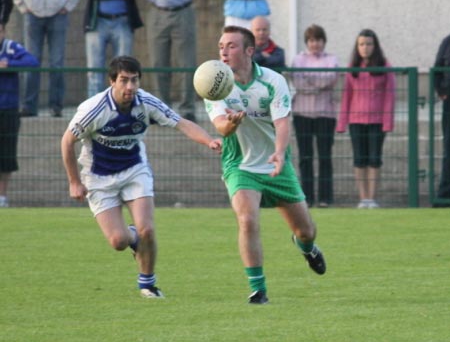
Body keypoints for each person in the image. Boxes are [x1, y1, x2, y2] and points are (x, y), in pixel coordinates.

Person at [61, 55, 221, 298]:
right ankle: (133, 237)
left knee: (148, 229)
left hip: (135, 170)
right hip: (99, 179)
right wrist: (74, 181)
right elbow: (67, 141)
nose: (130, 87)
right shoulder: (94, 109)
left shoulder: (146, 102)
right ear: (111, 81)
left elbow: (181, 123)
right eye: (124, 81)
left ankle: (148, 284)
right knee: (118, 241)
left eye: (134, 80)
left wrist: (209, 140)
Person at [204, 26, 326, 305]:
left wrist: (281, 153)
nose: (223, 51)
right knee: (247, 220)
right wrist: (229, 124)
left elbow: (283, 122)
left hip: (275, 164)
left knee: (306, 231)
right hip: (241, 166)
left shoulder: (273, 81)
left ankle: (306, 248)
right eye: (221, 45)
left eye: (231, 46)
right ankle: (258, 289)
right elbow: (221, 126)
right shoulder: (215, 83)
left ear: (249, 51)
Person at [336, 29, 395, 209]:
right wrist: (342, 122)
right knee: (359, 159)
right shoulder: (352, 66)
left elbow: (390, 95)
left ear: (375, 46)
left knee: (374, 159)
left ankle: (372, 198)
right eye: (361, 44)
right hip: (356, 120)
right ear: (357, 46)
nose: (365, 48)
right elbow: (346, 96)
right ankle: (363, 199)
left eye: (369, 44)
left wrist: (387, 121)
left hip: (377, 120)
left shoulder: (384, 65)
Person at [292, 25, 338, 208]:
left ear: (323, 42)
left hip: (325, 113)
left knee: (325, 156)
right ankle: (307, 197)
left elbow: (330, 78)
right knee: (305, 157)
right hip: (302, 113)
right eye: (311, 40)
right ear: (307, 42)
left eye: (318, 40)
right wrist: (318, 83)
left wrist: (309, 79)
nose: (315, 44)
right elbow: (298, 83)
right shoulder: (298, 59)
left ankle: (326, 198)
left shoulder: (332, 59)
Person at [0, 23, 39, 207]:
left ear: (3, 31)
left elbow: (32, 62)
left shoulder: (10, 47)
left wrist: (8, 64)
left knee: (6, 155)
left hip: (8, 109)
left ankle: (2, 197)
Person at [432, 34, 450, 207]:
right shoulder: (447, 42)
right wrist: (441, 90)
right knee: (449, 150)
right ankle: (445, 197)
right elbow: (437, 70)